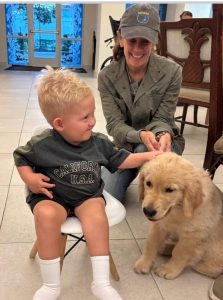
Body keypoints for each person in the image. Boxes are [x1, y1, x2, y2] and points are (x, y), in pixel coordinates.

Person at [13, 66, 161, 300]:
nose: (93, 122)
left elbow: (122, 159)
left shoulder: (98, 142)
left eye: (92, 113)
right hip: (52, 197)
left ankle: (100, 283)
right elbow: (21, 157)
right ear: (60, 124)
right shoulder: (42, 143)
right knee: (46, 216)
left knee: (96, 214)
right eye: (85, 117)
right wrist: (29, 178)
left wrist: (149, 156)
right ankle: (51, 285)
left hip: (87, 196)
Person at [98, 4, 185, 201]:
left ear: (155, 41)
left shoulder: (172, 72)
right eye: (132, 40)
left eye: (145, 41)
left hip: (161, 144)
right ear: (120, 38)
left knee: (170, 197)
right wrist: (140, 135)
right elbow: (114, 125)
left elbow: (163, 117)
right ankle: (132, 172)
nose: (137, 49)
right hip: (125, 146)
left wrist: (163, 134)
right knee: (106, 196)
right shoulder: (107, 76)